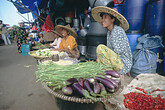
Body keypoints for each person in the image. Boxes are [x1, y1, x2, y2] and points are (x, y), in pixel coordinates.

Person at [91, 5, 132, 78]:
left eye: (105, 17)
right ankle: (109, 70)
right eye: (102, 18)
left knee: (100, 48)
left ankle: (114, 71)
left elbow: (118, 51)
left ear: (112, 20)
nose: (102, 20)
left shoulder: (117, 31)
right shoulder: (109, 32)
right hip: (117, 61)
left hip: (122, 63)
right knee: (100, 56)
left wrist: (124, 69)